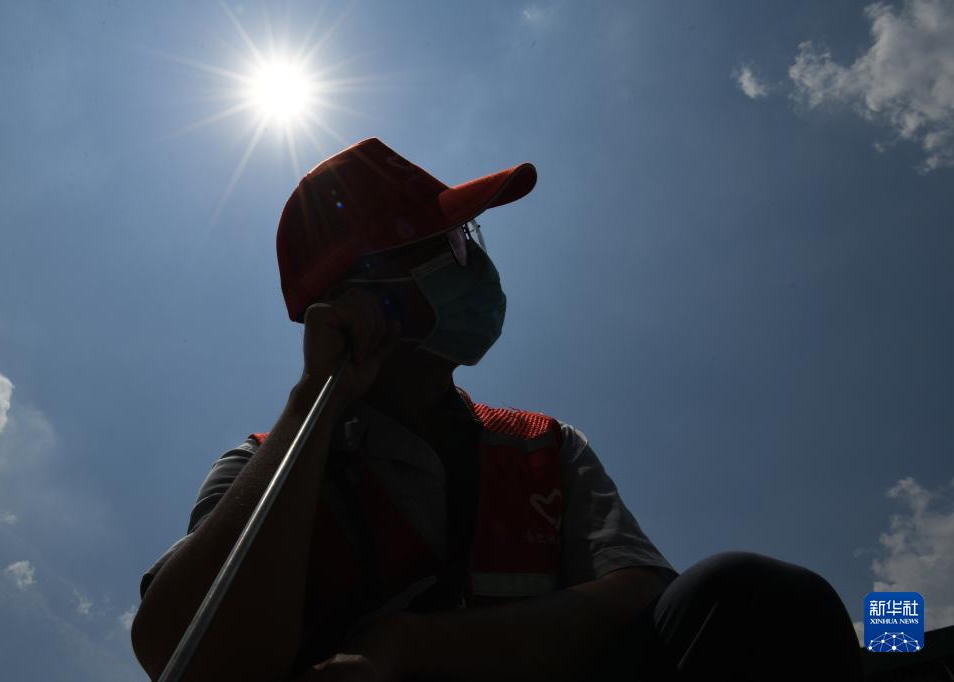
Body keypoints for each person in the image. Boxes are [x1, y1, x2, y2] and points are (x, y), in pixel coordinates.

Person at [130, 138, 865, 681]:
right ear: (366, 298)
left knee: (751, 597)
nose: (478, 262)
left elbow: (643, 594)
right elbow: (180, 652)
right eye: (453, 243)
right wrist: (311, 405)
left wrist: (410, 648)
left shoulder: (541, 446)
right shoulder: (266, 464)